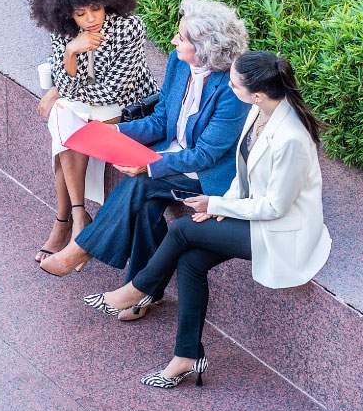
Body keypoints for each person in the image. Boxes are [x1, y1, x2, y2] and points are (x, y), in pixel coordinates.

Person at [82, 51, 332, 388]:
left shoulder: (291, 139)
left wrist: (215, 204)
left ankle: (138, 289)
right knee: (190, 262)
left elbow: (275, 208)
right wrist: (220, 204)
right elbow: (240, 175)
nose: (227, 87)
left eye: (233, 83)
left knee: (183, 230)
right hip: (252, 214)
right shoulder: (259, 111)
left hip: (282, 232)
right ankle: (186, 356)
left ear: (256, 93)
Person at [39, 0, 249, 318]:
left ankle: (82, 249)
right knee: (147, 203)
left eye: (181, 38)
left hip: (206, 174)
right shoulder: (180, 63)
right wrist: (114, 133)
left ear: (206, 48)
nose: (173, 40)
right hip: (172, 154)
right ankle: (144, 293)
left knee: (141, 186)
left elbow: (205, 155)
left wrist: (151, 164)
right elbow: (162, 119)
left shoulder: (230, 90)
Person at [28, 0, 159, 263]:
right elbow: (68, 79)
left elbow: (112, 91)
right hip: (87, 106)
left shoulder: (128, 28)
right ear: (66, 11)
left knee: (62, 115)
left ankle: (67, 221)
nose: (90, 19)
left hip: (124, 109)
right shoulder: (67, 33)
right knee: (64, 120)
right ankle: (76, 215)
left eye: (96, 8)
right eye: (80, 12)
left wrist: (62, 83)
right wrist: (72, 53)